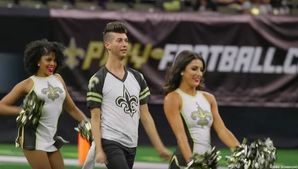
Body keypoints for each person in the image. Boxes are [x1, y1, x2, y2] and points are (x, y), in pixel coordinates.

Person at [85, 21, 171, 169]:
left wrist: (159, 147)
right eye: (119, 40)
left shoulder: (138, 77)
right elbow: (95, 117)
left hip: (131, 143)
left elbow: (145, 116)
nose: (124, 44)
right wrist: (99, 149)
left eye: (126, 40)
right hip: (110, 140)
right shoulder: (98, 79)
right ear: (108, 45)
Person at [0, 39, 88, 169]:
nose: (52, 63)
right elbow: (1, 106)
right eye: (48, 60)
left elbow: (71, 108)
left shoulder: (58, 79)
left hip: (51, 137)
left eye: (54, 60)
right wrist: (22, 111)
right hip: (32, 138)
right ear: (37, 61)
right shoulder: (28, 83)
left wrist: (88, 122)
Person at [163, 50, 240, 168]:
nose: (199, 73)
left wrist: (241, 152)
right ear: (182, 70)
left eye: (201, 69)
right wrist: (192, 163)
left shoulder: (209, 98)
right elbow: (181, 137)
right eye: (194, 69)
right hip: (184, 162)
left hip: (206, 162)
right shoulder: (173, 98)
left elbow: (222, 130)